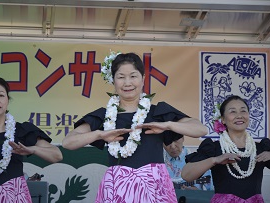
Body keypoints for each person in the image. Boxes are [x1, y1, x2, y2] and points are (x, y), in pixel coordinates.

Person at [62, 51, 208, 202]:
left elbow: (201, 129)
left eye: (133, 76)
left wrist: (168, 125)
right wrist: (99, 134)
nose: (127, 83)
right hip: (117, 188)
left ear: (143, 78)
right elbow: (68, 142)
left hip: (155, 187)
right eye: (121, 77)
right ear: (113, 80)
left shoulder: (158, 112)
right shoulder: (104, 116)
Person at [0, 76, 63, 203]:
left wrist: (33, 149)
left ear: (7, 100)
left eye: (1, 95)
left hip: (16, 196)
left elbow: (57, 155)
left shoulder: (21, 130)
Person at [181, 95, 270, 203]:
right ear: (223, 119)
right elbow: (186, 175)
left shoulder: (261, 148)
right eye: (233, 112)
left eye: (243, 111)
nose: (239, 115)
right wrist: (215, 160)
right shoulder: (214, 148)